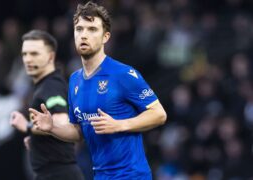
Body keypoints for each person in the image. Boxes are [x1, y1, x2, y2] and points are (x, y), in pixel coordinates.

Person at [30, 2, 167, 179]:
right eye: (79, 29)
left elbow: (159, 114)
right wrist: (52, 128)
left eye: (92, 29)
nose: (84, 35)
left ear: (105, 37)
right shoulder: (74, 80)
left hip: (131, 176)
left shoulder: (123, 74)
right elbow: (79, 131)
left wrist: (120, 125)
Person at [9, 30, 84, 180]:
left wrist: (27, 126)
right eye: (25, 54)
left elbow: (62, 122)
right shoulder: (44, 86)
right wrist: (39, 143)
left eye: (35, 54)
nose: (28, 60)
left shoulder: (51, 86)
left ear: (50, 57)